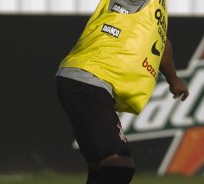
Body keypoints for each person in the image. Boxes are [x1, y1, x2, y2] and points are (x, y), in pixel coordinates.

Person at [56, 0, 189, 183]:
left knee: (102, 169)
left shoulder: (157, 7)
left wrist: (173, 79)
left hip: (88, 82)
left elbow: (162, 42)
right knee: (119, 167)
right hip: (88, 79)